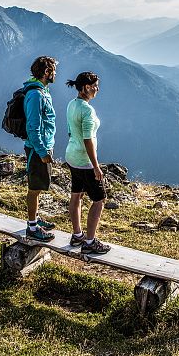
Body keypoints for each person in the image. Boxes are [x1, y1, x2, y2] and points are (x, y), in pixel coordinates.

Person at [65, 71, 111, 254]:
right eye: (95, 86)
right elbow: (88, 139)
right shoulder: (87, 110)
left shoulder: (72, 104)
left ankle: (77, 235)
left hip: (71, 156)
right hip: (84, 161)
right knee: (99, 199)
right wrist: (96, 166)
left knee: (76, 195)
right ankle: (90, 242)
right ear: (85, 87)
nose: (97, 89)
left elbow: (71, 131)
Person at [24, 56, 58, 241]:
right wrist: (42, 151)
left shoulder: (42, 91)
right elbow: (33, 126)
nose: (55, 74)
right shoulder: (36, 94)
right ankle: (32, 227)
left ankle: (35, 219)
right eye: (54, 70)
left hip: (43, 146)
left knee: (38, 187)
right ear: (47, 72)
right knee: (34, 188)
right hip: (38, 149)